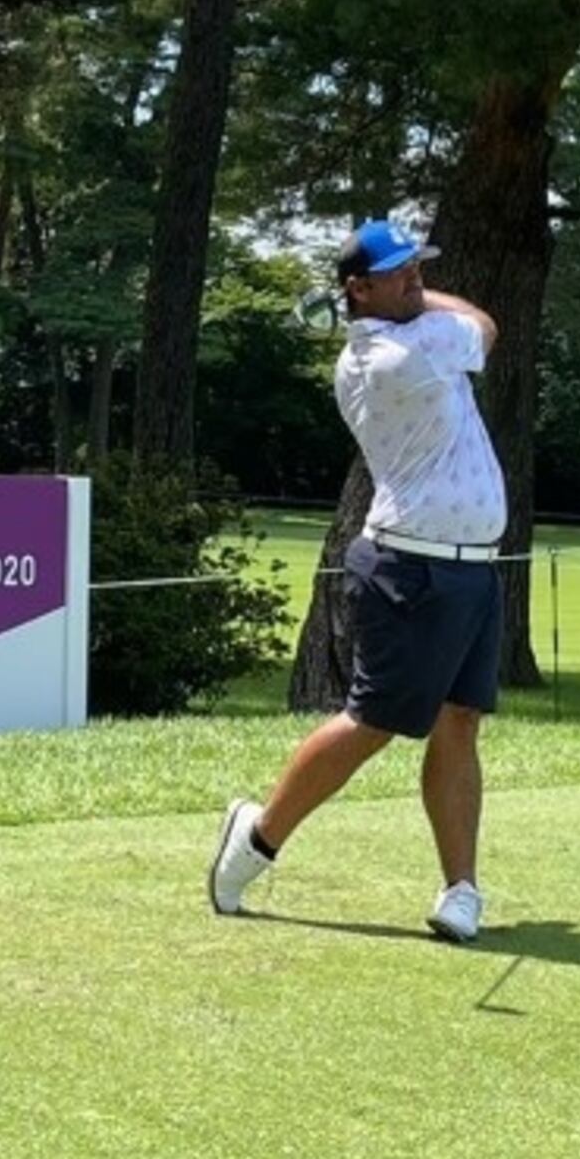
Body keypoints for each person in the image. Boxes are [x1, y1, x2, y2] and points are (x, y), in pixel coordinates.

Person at [209, 220, 509, 942]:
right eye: (401, 272)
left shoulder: (401, 333)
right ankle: (255, 839)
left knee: (458, 719)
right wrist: (423, 296)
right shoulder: (398, 356)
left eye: (418, 268)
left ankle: (460, 889)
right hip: (412, 567)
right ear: (359, 289)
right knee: (373, 722)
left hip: (472, 566)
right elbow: (486, 326)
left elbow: (452, 319)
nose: (415, 280)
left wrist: (402, 289)